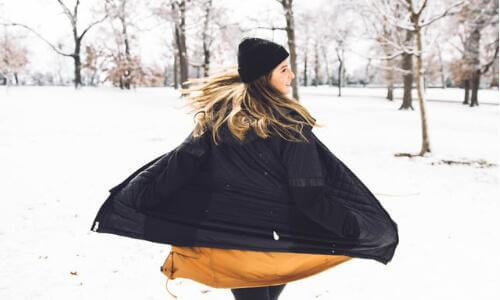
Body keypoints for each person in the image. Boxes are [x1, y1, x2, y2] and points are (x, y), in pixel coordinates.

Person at [90, 37, 398, 300]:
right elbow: (308, 196)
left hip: (232, 243)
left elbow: (180, 166)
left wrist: (142, 198)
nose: (291, 76)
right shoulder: (289, 125)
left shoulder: (218, 119)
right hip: (277, 244)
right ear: (265, 76)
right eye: (283, 69)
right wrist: (353, 228)